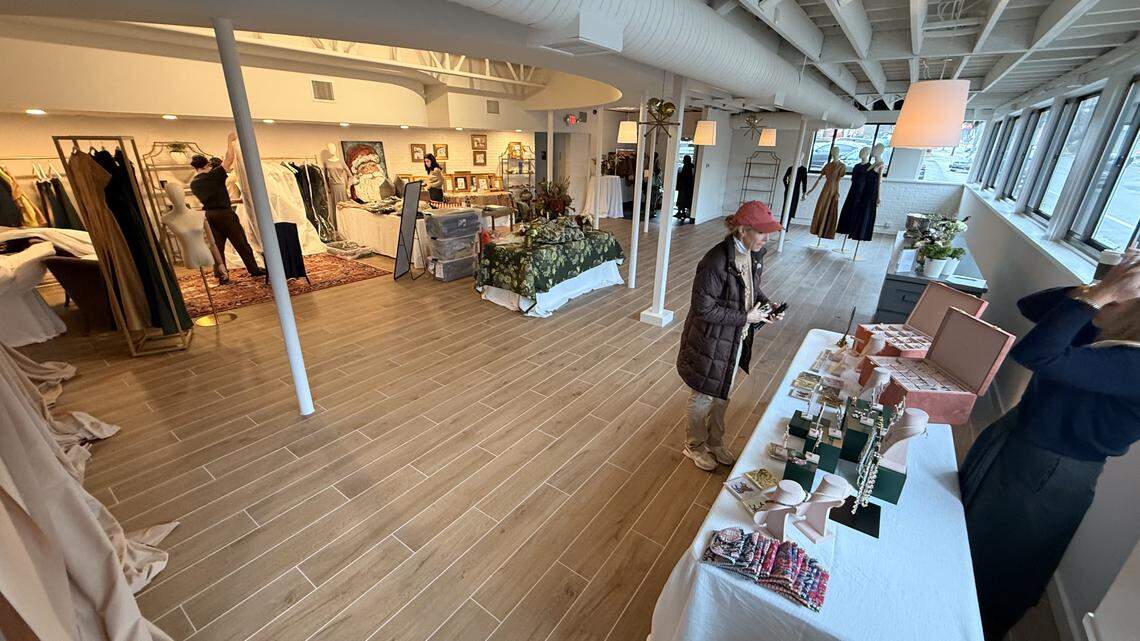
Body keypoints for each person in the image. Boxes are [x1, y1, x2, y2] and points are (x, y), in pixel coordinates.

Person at [959, 248, 1140, 640]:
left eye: (1116, 296)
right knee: (963, 531)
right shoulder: (1107, 332)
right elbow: (1032, 305)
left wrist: (1096, 298)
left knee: (994, 567)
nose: (1102, 297)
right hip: (1022, 443)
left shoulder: (1131, 364)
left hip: (1049, 473)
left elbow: (1034, 352)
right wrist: (1098, 286)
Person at [676, 201, 785, 471]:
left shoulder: (752, 254)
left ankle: (715, 442)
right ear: (742, 231)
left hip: (734, 337)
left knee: (723, 392)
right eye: (762, 232)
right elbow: (703, 308)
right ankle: (694, 446)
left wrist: (767, 305)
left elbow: (751, 289)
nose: (767, 238)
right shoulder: (714, 262)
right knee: (703, 395)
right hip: (709, 341)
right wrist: (746, 317)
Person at [188, 133, 265, 283]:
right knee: (241, 242)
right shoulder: (214, 175)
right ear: (207, 165)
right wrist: (229, 141)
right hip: (225, 215)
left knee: (217, 246)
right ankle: (253, 269)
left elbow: (213, 198)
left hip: (209, 215)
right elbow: (229, 159)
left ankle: (221, 275)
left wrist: (236, 200)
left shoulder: (194, 184)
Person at [675, 155, 695, 224]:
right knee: (684, 200)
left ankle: (681, 212)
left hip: (684, 187)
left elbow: (684, 177)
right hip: (688, 187)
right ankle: (681, 212)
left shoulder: (686, 167)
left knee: (681, 200)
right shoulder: (691, 167)